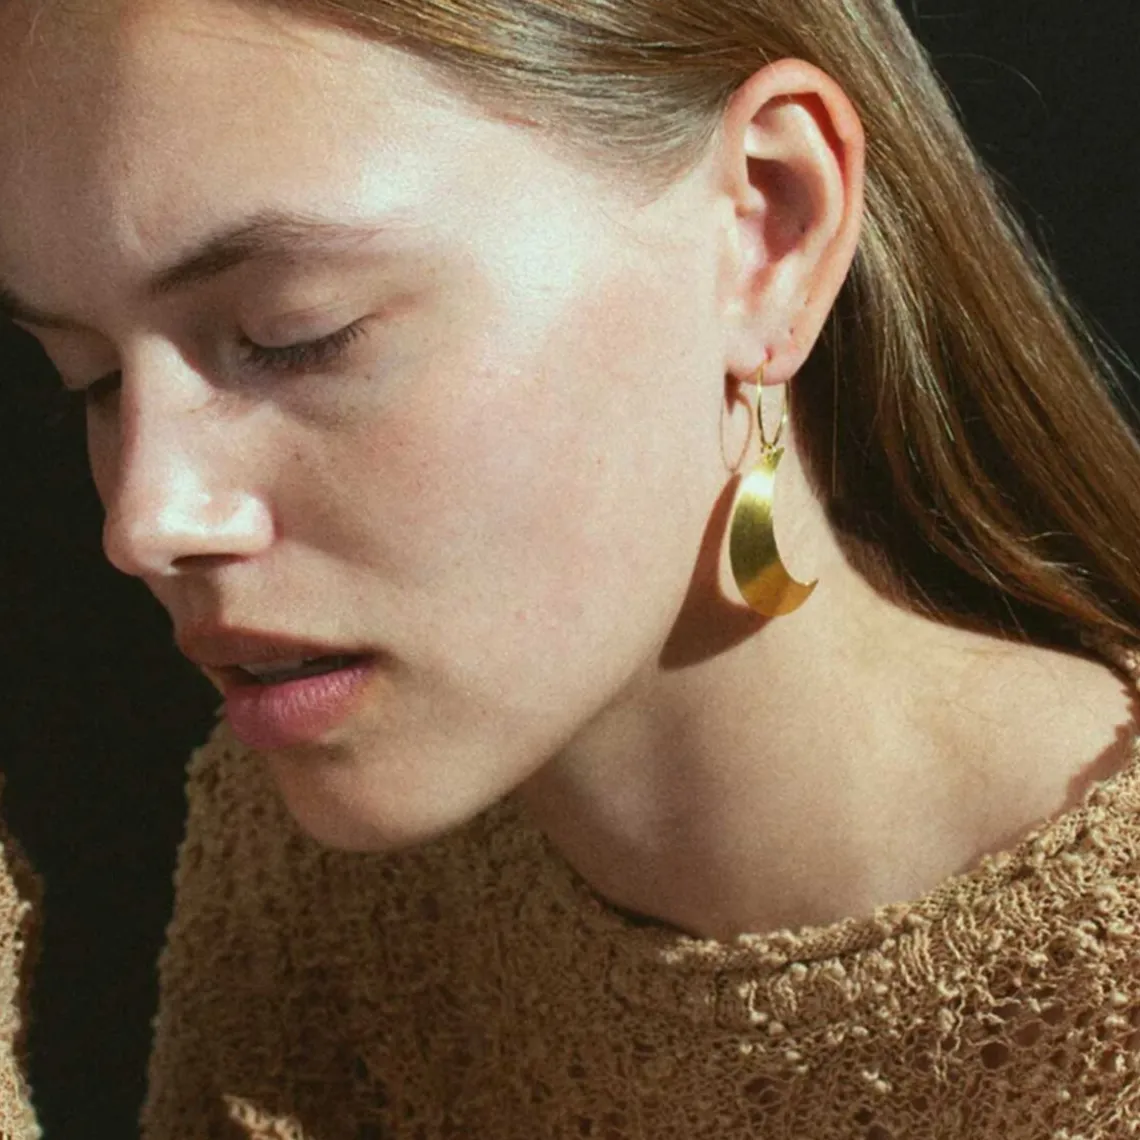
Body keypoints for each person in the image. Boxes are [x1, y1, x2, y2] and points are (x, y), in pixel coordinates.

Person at [2, 0, 1140, 1135]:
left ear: (768, 231)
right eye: (89, 377)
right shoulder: (321, 872)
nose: (144, 520)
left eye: (296, 331)